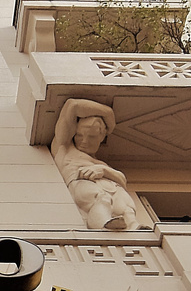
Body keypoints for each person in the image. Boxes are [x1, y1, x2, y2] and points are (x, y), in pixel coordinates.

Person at [51, 98, 141, 230]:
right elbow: (72, 105)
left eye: (91, 137)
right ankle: (103, 226)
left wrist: (103, 170)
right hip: (83, 183)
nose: (84, 141)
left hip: (112, 187)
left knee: (126, 209)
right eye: (79, 135)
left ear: (102, 136)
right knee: (101, 198)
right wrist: (108, 113)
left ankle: (134, 227)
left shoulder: (101, 163)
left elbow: (122, 180)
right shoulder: (65, 149)